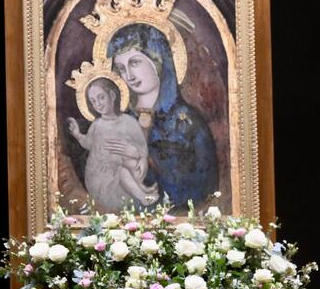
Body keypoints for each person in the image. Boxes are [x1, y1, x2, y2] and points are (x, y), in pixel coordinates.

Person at [106, 23, 218, 212]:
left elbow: (204, 187)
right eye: (121, 68)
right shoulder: (119, 121)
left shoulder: (188, 123)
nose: (129, 75)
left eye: (134, 63)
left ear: (158, 60)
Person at [67, 77, 159, 212]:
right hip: (101, 175)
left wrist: (135, 153)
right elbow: (88, 143)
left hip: (122, 166)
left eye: (101, 97)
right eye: (93, 101)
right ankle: (142, 196)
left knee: (132, 164)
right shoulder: (97, 125)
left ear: (112, 95)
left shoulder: (129, 122)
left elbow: (141, 147)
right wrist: (77, 134)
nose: (98, 104)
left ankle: (142, 188)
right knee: (122, 170)